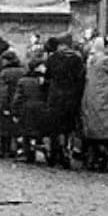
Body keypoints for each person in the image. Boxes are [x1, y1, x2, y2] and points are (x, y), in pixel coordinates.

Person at [80, 36, 108, 171]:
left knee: (94, 130)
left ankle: (93, 158)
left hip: (91, 97)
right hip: (105, 97)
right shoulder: (105, 60)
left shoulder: (90, 60)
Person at [43, 34, 86, 168]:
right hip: (71, 98)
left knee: (55, 126)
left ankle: (55, 152)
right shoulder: (77, 60)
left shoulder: (52, 59)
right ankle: (66, 149)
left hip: (55, 97)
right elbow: (81, 80)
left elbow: (47, 77)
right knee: (68, 127)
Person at [12, 57, 49, 163]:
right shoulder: (45, 81)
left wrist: (15, 111)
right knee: (41, 133)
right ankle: (45, 152)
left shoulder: (23, 81)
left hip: (27, 108)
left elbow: (18, 98)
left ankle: (28, 154)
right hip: (42, 108)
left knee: (26, 133)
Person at [0, 49, 25, 159]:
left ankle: (4, 150)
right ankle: (17, 149)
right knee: (17, 128)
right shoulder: (23, 71)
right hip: (20, 103)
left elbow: (4, 91)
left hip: (8, 102)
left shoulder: (5, 73)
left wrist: (2, 106)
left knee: (4, 127)